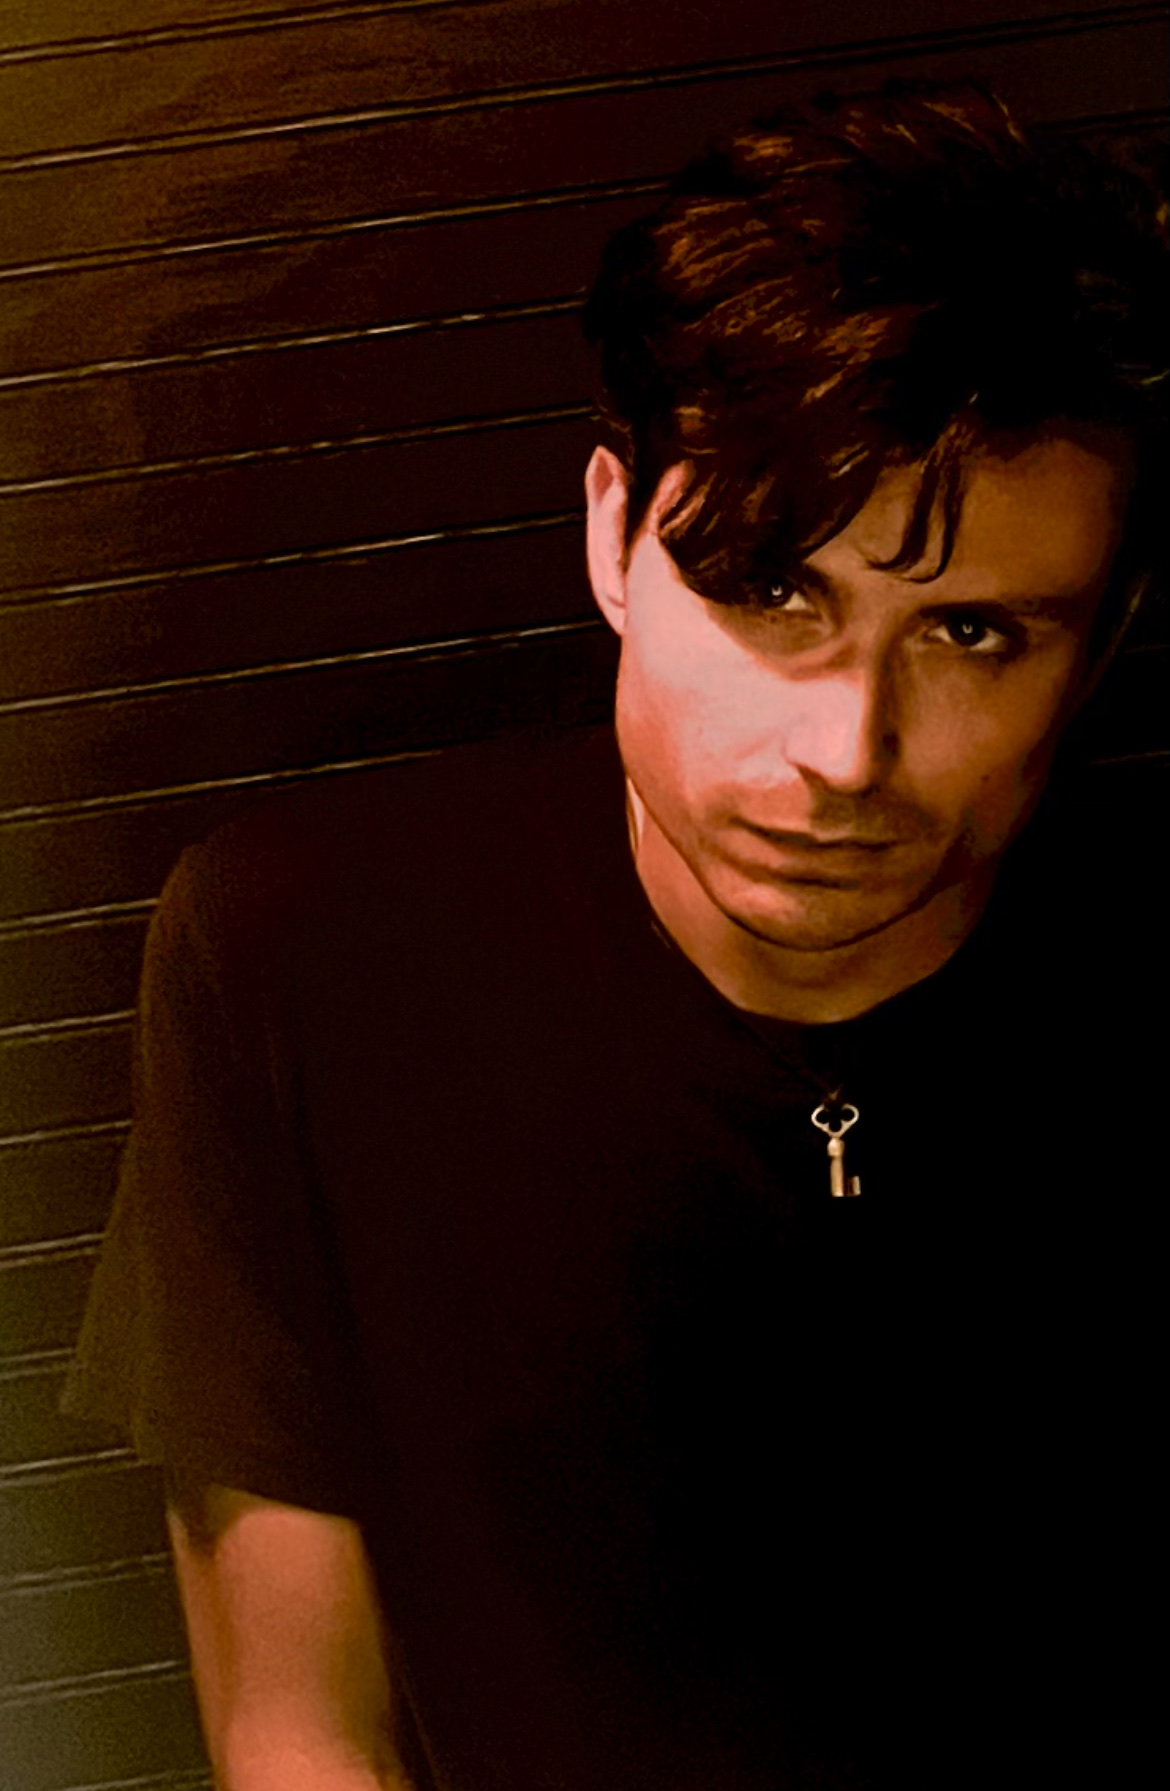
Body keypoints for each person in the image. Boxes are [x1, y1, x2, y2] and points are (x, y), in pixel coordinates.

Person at [63, 79, 1167, 1791]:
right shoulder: (309, 947)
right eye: (767, 590)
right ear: (611, 533)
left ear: (1099, 642)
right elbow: (297, 1725)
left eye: (969, 634)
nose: (846, 749)